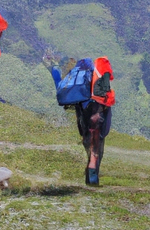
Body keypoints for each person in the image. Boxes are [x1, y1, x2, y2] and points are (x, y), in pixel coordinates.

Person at [49, 56, 115, 185]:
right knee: (97, 148)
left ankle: (89, 179)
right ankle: (93, 181)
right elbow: (105, 97)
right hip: (97, 114)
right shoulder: (98, 74)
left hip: (83, 115)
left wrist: (53, 67)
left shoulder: (77, 81)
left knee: (89, 146)